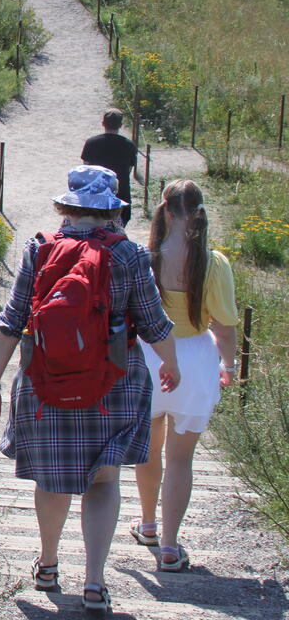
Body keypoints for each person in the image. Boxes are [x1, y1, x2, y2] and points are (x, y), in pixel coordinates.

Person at [0, 165, 178, 614]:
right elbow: (152, 324)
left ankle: (48, 565)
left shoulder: (40, 248)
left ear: (66, 205)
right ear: (110, 209)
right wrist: (173, 364)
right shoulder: (128, 254)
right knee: (104, 479)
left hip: (46, 381)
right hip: (115, 383)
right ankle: (94, 583)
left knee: (52, 478)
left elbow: (11, 322)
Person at [131, 180, 238, 571]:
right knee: (181, 460)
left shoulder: (145, 257)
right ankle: (172, 546)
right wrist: (229, 365)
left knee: (148, 446)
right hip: (194, 358)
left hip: (148, 355)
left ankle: (147, 525)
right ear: (197, 212)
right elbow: (224, 327)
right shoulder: (212, 262)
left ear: (164, 210)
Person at [81, 110, 137, 225]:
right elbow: (129, 170)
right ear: (121, 125)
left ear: (103, 123)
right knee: (118, 228)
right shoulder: (129, 145)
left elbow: (86, 168)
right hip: (121, 194)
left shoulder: (91, 143)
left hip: (95, 194)